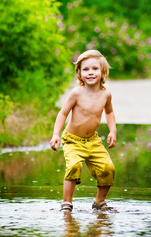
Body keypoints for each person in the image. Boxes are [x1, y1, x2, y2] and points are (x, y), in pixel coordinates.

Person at [50, 50, 117, 212]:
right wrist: (55, 134)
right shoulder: (77, 93)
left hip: (93, 140)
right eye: (85, 69)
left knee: (108, 169)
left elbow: (109, 112)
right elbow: (63, 113)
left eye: (95, 69)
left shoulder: (106, 94)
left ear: (103, 72)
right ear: (79, 73)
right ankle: (67, 202)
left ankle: (99, 202)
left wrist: (112, 131)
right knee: (73, 166)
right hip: (72, 139)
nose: (90, 73)